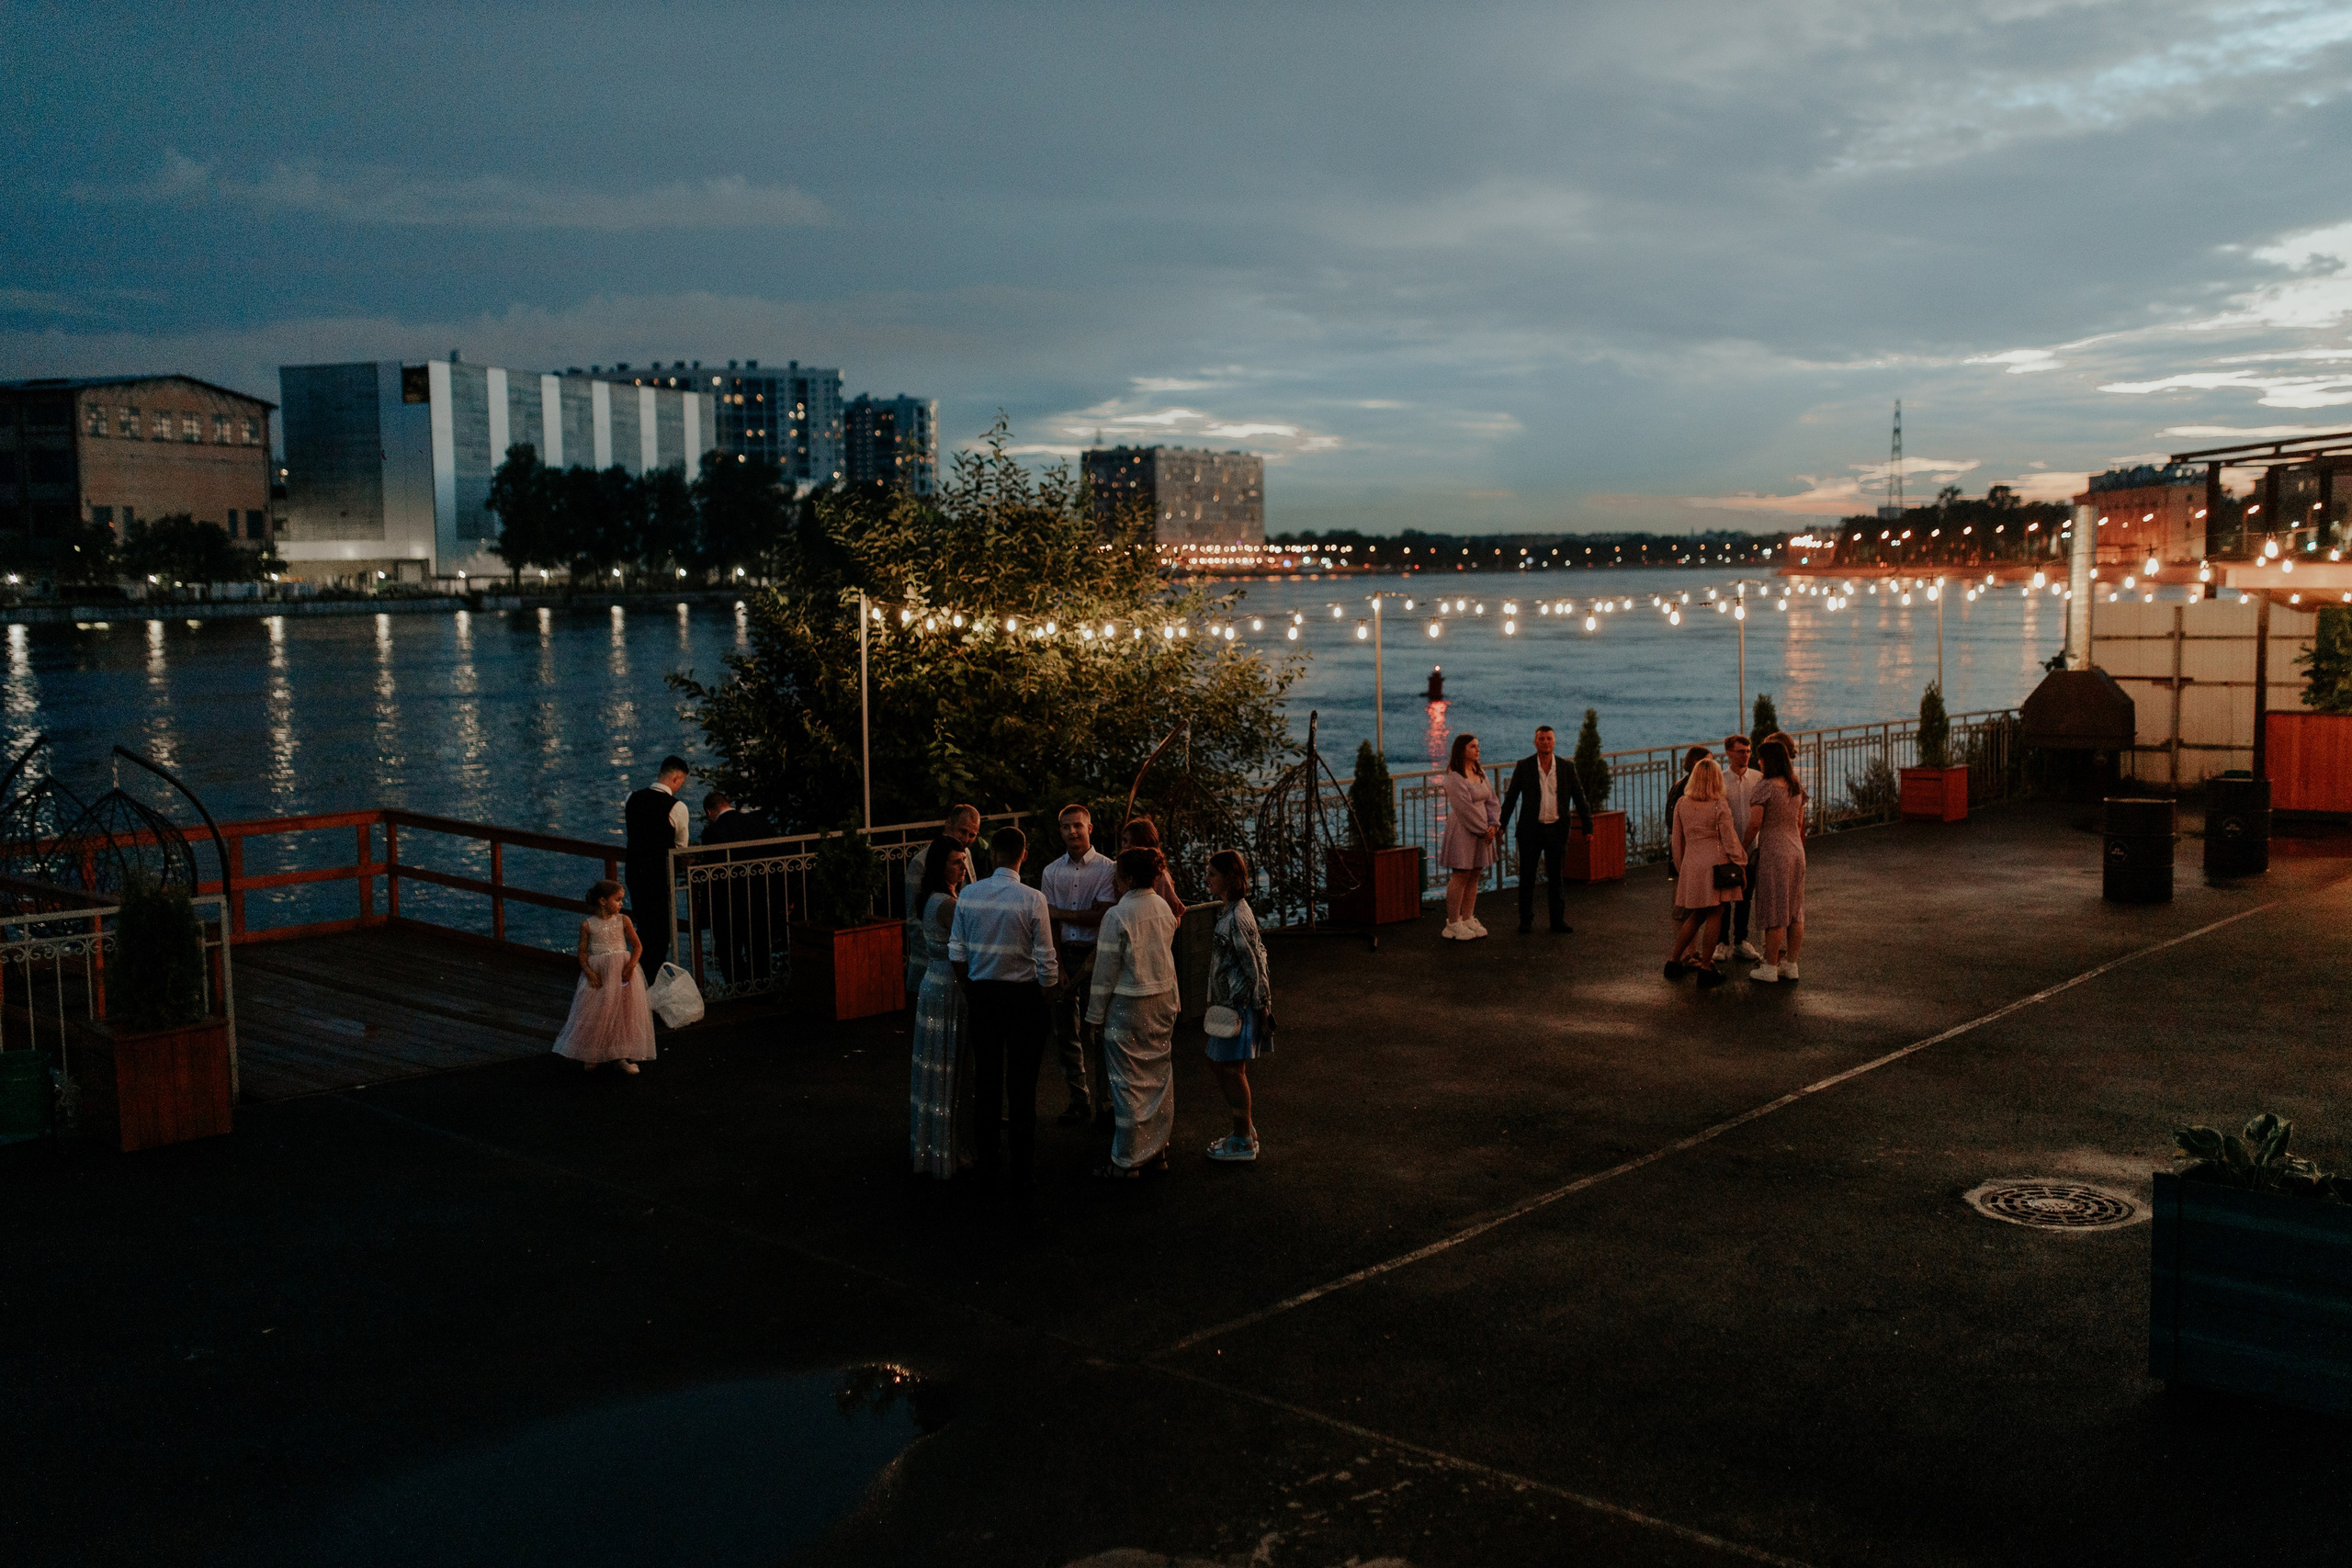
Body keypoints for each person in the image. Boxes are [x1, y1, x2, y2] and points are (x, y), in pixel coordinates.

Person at [949, 826, 1058, 1187]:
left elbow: (957, 952)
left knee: (988, 1077)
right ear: (1023, 856)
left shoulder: (969, 895)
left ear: (992, 854)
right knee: (1023, 1085)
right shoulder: (1033, 899)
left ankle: (987, 1160)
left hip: (983, 995)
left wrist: (972, 987)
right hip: (1024, 998)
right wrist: (1046, 995)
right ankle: (1023, 1164)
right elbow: (1046, 958)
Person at [1085, 845, 1182, 1179]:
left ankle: (1126, 1160)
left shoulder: (1117, 916)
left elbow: (1105, 972)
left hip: (1128, 1005)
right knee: (1158, 1078)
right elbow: (1167, 960)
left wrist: (1094, 1016)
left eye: (1117, 875)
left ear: (1127, 877)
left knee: (1127, 1083)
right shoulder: (1163, 908)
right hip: (1162, 1001)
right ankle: (1158, 1150)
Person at [1040, 804, 1118, 1126]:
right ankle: (1078, 1099)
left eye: (1078, 826)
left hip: (1095, 956)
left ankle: (1107, 1104)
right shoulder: (1051, 872)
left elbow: (1103, 915)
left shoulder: (1107, 869)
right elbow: (1048, 922)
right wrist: (1056, 963)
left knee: (1099, 1031)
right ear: (1060, 831)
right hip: (1065, 956)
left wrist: (1062, 913)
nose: (1072, 832)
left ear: (1090, 828)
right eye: (1066, 827)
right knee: (1066, 1033)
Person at [1201, 848, 1272, 1162]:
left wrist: (1261, 1005)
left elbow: (1254, 963)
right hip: (1235, 1003)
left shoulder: (1234, 919)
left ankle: (1243, 1138)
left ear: (1228, 879)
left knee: (1229, 1069)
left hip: (1237, 1005)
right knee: (1228, 1067)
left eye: (1212, 874)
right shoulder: (1235, 911)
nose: (1207, 879)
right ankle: (1245, 1130)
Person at [910, 836, 973, 1178]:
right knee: (952, 1065)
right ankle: (952, 1147)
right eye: (955, 862)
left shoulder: (937, 898)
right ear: (939, 866)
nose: (963, 867)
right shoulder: (948, 905)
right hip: (948, 984)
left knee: (939, 1063)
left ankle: (937, 1141)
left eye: (963, 860)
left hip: (934, 982)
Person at [1498, 724, 1594, 935]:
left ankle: (1557, 920)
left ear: (1554, 741)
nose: (1545, 742)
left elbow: (1579, 797)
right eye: (1541, 739)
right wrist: (1501, 825)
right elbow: (1511, 797)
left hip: (1556, 829)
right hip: (1531, 830)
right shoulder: (1524, 766)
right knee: (1527, 877)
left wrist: (1588, 826)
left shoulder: (1566, 768)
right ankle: (1525, 920)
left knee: (1556, 877)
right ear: (1535, 742)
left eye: (1549, 738)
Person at [552, 879, 656, 1074]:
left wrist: (631, 965)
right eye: (617, 900)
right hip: (600, 972)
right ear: (602, 901)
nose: (621, 904)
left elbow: (637, 945)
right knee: (597, 1012)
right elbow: (582, 952)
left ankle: (621, 1055)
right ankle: (593, 1054)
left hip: (622, 972)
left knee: (623, 1012)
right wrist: (589, 972)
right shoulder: (588, 925)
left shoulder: (623, 920)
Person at [1667, 757, 1746, 989]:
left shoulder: (1682, 803)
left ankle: (1673, 961)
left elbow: (1676, 842)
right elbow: (1730, 841)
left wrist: (1683, 868)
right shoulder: (1719, 805)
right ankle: (1706, 967)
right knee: (1716, 912)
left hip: (1692, 864)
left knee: (1696, 914)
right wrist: (1741, 862)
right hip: (1715, 865)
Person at [624, 756, 691, 983]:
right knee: (661, 933)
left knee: (642, 926)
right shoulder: (677, 807)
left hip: (634, 872)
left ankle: (639, 979)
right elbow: (681, 848)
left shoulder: (631, 798)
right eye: (681, 782)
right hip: (659, 875)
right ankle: (652, 983)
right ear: (676, 778)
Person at [699, 789, 775, 987]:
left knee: (728, 949)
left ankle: (738, 988)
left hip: (728, 901)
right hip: (759, 894)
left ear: (709, 812)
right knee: (758, 944)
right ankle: (763, 986)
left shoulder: (712, 832)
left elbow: (712, 870)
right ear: (728, 804)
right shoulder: (757, 823)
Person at [1747, 739, 1808, 984]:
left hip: (1774, 852)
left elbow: (1755, 823)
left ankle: (1769, 967)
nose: (1758, 762)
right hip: (1796, 850)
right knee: (1795, 911)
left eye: (1761, 758)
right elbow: (1800, 822)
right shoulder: (1795, 786)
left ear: (1768, 760)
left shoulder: (1766, 787)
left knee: (1775, 909)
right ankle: (1790, 964)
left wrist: (1742, 848)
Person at [908, 805, 982, 998]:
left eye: (972, 835)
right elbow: (914, 919)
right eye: (962, 831)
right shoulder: (920, 862)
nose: (966, 839)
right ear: (948, 823)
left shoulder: (966, 854)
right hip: (932, 962)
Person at [1438, 733, 1500, 941]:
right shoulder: (1455, 778)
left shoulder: (1479, 771)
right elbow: (1464, 808)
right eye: (1473, 746)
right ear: (1462, 750)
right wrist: (1484, 828)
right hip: (1465, 829)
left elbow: (1491, 799)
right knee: (1461, 874)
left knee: (1475, 872)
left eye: (1478, 746)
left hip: (1483, 829)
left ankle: (1467, 917)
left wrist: (1494, 824)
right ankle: (1453, 923)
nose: (1477, 749)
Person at [1715, 735, 1762, 964]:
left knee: (1746, 895)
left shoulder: (1758, 778)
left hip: (1751, 847)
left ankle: (1741, 940)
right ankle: (1721, 942)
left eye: (1748, 751)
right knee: (1724, 896)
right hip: (1726, 849)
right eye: (1740, 751)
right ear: (1728, 753)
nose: (1745, 755)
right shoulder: (1720, 781)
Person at [1120, 817, 1187, 919]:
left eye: (1129, 842)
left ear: (1142, 845)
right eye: (1124, 841)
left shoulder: (1159, 877)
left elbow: (1173, 917)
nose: (1125, 846)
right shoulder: (1120, 869)